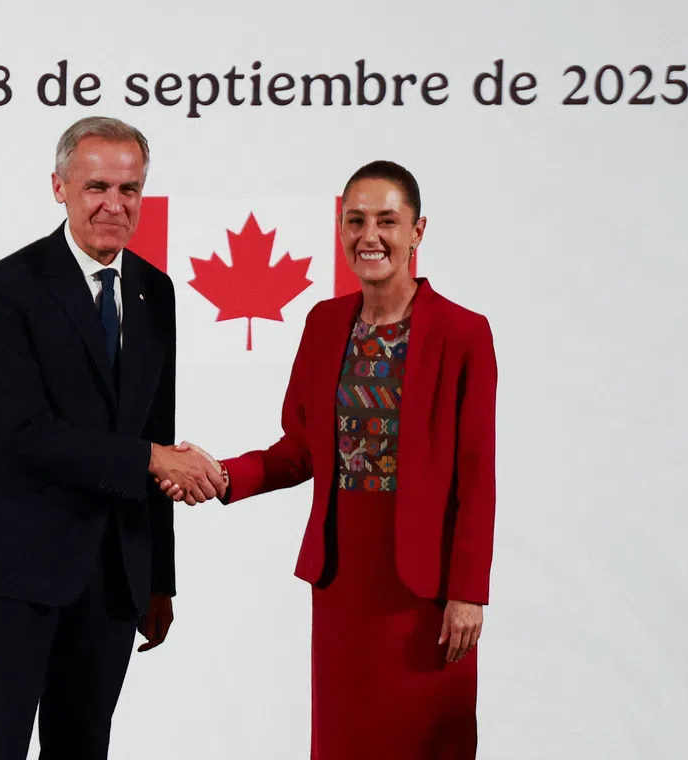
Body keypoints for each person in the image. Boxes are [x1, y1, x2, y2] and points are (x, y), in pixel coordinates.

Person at [160, 160, 498, 759]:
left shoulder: (464, 333)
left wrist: (469, 591)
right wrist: (224, 476)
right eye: (356, 220)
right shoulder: (323, 323)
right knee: (345, 743)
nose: (371, 236)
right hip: (344, 581)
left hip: (427, 591)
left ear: (418, 231)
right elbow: (301, 449)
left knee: (427, 742)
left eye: (387, 221)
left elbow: (476, 475)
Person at [0, 115, 226, 760]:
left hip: (113, 570)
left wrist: (157, 579)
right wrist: (152, 457)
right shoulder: (4, 289)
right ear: (59, 187)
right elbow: (23, 434)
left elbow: (156, 428)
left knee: (84, 746)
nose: (114, 205)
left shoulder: (155, 291)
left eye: (130, 190)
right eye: (97, 187)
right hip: (12, 562)